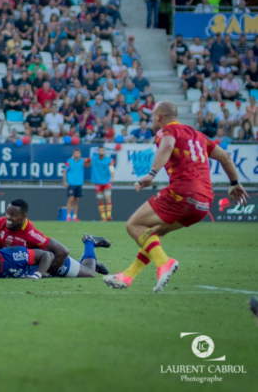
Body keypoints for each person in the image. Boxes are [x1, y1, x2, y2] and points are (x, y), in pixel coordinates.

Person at [104, 101, 249, 292]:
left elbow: (167, 146)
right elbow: (226, 157)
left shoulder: (166, 132)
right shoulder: (198, 135)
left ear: (158, 116)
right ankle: (128, 276)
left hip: (183, 193)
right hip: (204, 203)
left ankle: (165, 262)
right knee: (155, 233)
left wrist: (152, 173)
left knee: (134, 225)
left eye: (153, 116)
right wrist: (234, 183)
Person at [85, 146, 115, 222]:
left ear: (105, 152)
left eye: (102, 150)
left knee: (108, 197)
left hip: (107, 181)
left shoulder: (109, 160)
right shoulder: (93, 158)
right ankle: (103, 217)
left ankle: (109, 216)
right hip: (98, 182)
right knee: (100, 199)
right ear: (98, 152)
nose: (101, 152)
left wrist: (112, 178)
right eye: (100, 150)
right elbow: (85, 161)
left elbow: (112, 170)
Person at [63, 149, 85, 221]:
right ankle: (68, 216)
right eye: (75, 153)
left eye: (78, 153)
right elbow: (64, 171)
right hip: (71, 183)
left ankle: (75, 216)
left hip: (79, 183)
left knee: (77, 200)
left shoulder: (82, 161)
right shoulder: (69, 162)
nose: (77, 154)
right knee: (71, 199)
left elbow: (89, 163)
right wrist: (65, 181)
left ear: (80, 154)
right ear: (73, 154)